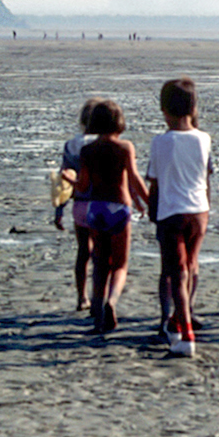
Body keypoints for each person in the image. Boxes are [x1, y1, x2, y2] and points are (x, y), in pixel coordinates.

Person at [146, 78, 211, 357]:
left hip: (172, 210)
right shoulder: (204, 138)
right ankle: (179, 321)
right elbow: (206, 177)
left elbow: (155, 182)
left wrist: (151, 209)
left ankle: (185, 333)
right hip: (199, 210)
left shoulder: (161, 142)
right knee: (191, 265)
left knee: (177, 272)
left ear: (164, 110)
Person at [76, 99, 150, 334]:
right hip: (119, 207)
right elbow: (135, 179)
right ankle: (112, 301)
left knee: (99, 263)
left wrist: (68, 180)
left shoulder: (87, 150)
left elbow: (83, 185)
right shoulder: (125, 147)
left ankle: (97, 313)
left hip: (95, 208)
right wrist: (150, 203)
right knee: (120, 264)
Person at [56, 99, 100, 310]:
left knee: (83, 251)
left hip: (80, 205)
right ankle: (100, 297)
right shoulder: (105, 143)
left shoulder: (71, 145)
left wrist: (58, 210)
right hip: (103, 203)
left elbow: (63, 181)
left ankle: (82, 297)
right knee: (102, 252)